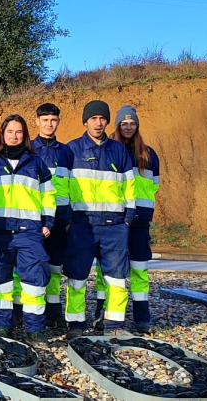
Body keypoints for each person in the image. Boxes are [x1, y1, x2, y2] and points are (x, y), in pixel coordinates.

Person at [60, 100, 136, 335]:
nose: (98, 122)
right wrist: (67, 219)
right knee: (77, 277)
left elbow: (130, 186)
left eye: (102, 118)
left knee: (116, 279)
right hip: (82, 226)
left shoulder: (119, 150)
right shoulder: (71, 149)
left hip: (114, 227)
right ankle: (76, 323)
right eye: (93, 118)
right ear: (85, 121)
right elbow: (61, 187)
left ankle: (114, 324)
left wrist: (128, 219)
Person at [0, 115, 54, 342]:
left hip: (29, 232)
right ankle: (3, 325)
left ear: (25, 135)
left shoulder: (35, 163)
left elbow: (49, 195)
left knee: (34, 281)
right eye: (9, 131)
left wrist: (48, 223)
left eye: (19, 132)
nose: (14, 136)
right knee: (0, 281)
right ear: (2, 134)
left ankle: (35, 329)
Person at [93, 105, 159, 333]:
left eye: (132, 123)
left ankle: (142, 315)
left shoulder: (149, 155)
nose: (128, 127)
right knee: (107, 268)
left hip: (139, 223)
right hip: (116, 221)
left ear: (137, 126)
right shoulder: (110, 151)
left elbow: (154, 187)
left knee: (139, 268)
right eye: (124, 123)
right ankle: (102, 311)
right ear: (118, 125)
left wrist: (142, 214)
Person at [32, 103, 75, 328]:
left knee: (55, 267)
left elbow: (68, 188)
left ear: (58, 121)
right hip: (33, 218)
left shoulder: (66, 152)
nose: (49, 124)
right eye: (45, 119)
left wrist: (67, 220)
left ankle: (53, 310)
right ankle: (29, 312)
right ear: (36, 121)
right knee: (34, 265)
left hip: (58, 219)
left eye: (53, 120)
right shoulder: (28, 149)